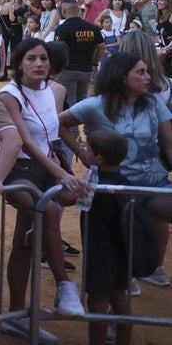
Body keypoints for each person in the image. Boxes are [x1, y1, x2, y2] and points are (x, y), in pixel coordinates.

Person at [0, 38, 87, 343]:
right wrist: (62, 171)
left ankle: (16, 315)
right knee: (46, 209)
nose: (39, 64)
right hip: (19, 170)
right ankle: (64, 285)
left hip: (46, 167)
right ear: (19, 63)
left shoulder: (53, 91)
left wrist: (73, 156)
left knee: (25, 245)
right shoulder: (9, 95)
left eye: (44, 59)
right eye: (32, 58)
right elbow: (26, 142)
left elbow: (53, 130)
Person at [60, 52, 172, 287]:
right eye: (140, 72)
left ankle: (145, 269)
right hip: (112, 189)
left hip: (152, 183)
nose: (148, 77)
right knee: (113, 241)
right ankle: (124, 278)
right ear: (122, 77)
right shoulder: (94, 105)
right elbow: (58, 123)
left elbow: (169, 143)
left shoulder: (153, 103)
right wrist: (82, 152)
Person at [80, 129, 136, 345]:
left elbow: (67, 198)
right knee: (120, 298)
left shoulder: (94, 183)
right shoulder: (125, 181)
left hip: (99, 250)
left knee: (97, 302)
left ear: (98, 158)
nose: (85, 152)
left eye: (88, 150)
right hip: (121, 249)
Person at [53, 0, 105, 107]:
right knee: (83, 98)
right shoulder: (92, 28)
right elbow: (101, 47)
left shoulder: (62, 29)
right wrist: (95, 63)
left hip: (68, 69)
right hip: (86, 69)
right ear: (79, 11)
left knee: (69, 98)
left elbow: (58, 50)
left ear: (63, 11)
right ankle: (84, 122)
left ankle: (73, 124)